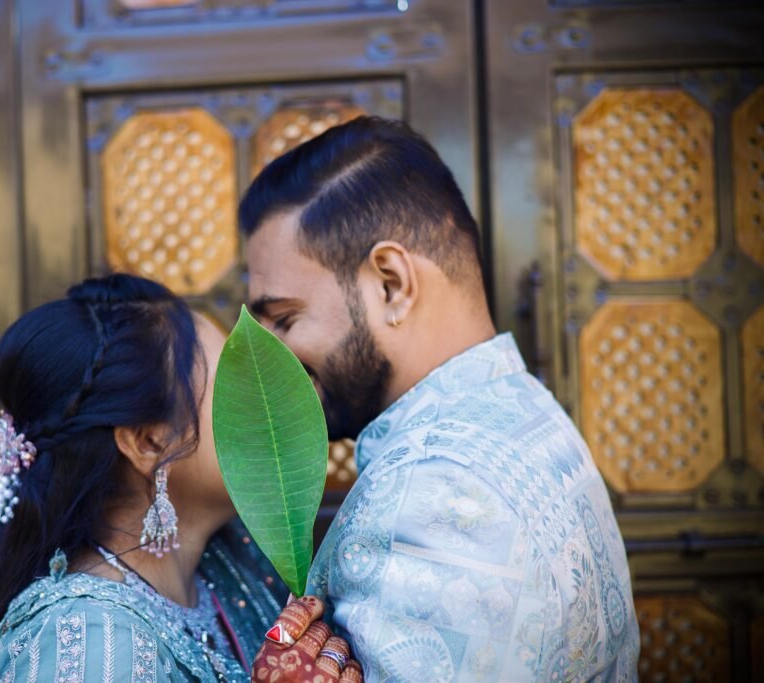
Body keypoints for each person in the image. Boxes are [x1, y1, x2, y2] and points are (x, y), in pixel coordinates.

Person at [239, 116, 640, 681]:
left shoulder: (436, 500)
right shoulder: (526, 411)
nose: (269, 360)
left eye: (283, 319)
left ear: (391, 285)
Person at [0, 273, 364, 682]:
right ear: (148, 443)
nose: (266, 401)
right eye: (234, 382)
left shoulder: (231, 562)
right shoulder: (88, 644)